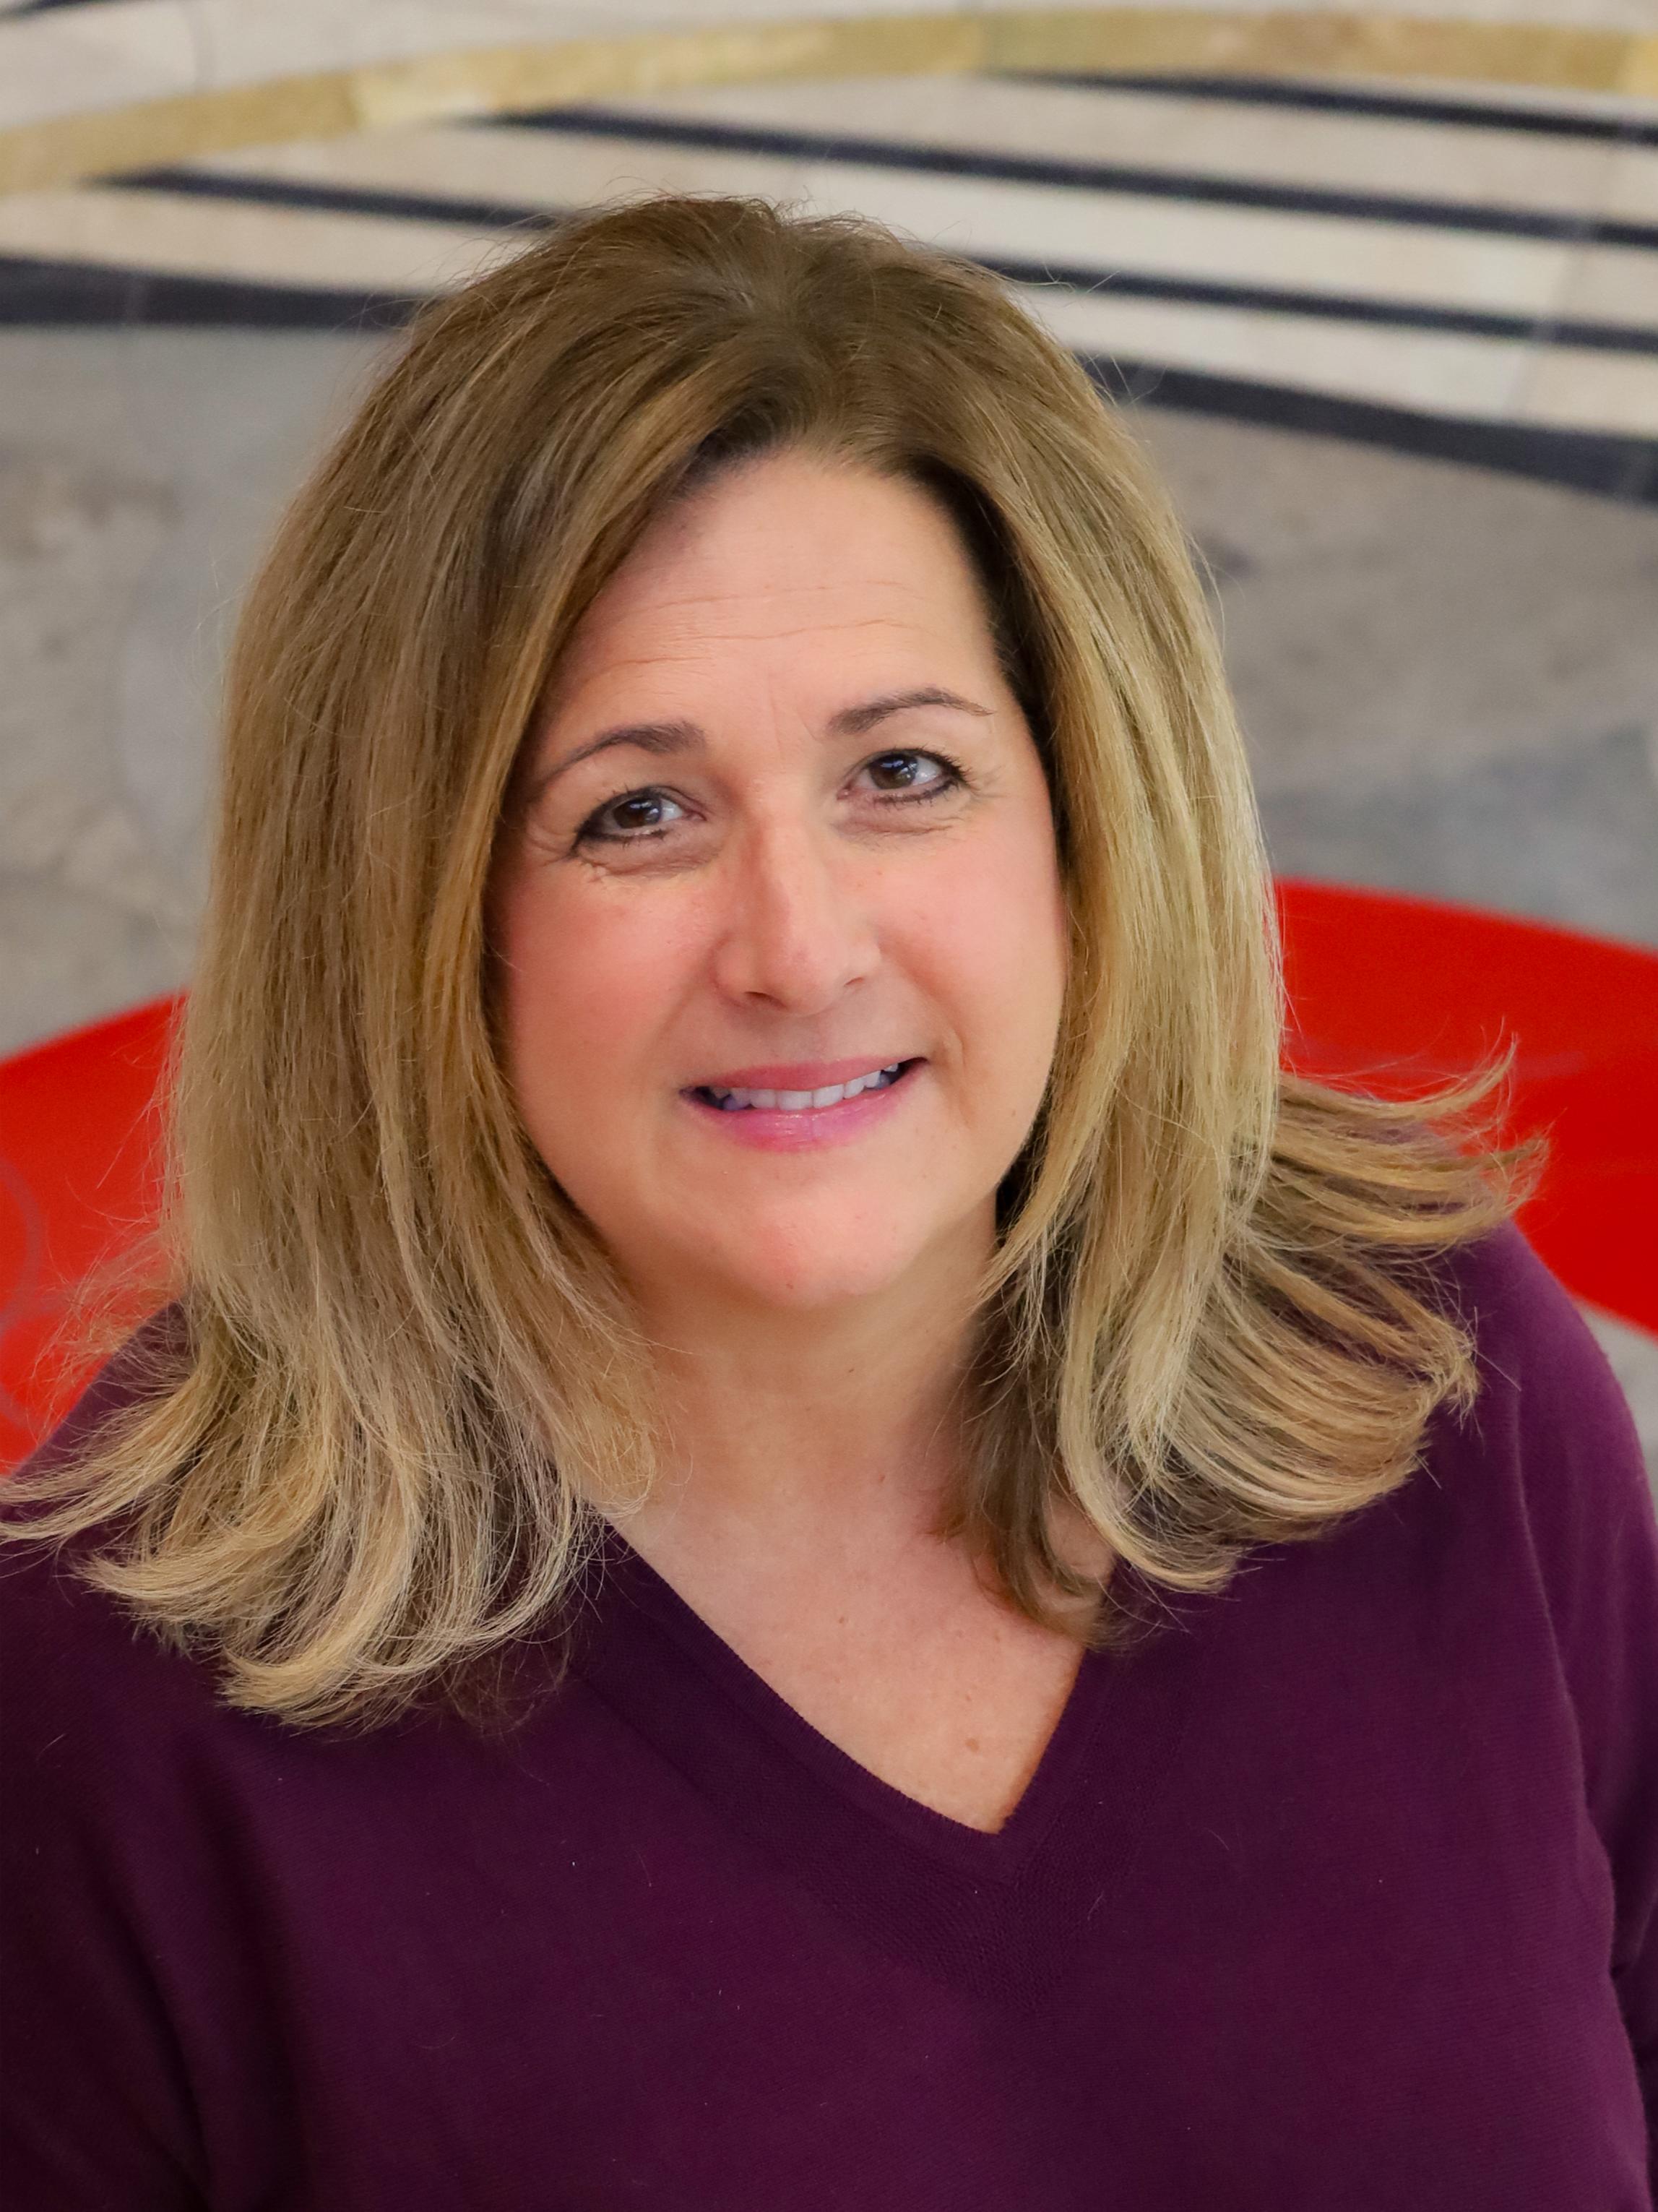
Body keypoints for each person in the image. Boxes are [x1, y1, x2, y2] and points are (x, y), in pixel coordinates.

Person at [1, 193, 1654, 2211]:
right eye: (637, 811)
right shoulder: (105, 1711)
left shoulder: (1434, 1368)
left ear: (1085, 826)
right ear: (418, 925)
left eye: (907, 773)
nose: (795, 945)